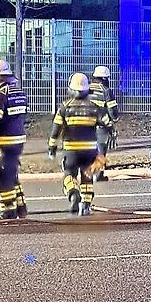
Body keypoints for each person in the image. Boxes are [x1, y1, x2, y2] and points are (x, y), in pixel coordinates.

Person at [48, 73, 113, 216]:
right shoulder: (94, 107)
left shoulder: (65, 107)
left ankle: (73, 193)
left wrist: (52, 147)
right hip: (89, 149)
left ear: (70, 88)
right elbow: (107, 122)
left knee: (69, 174)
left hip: (71, 150)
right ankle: (86, 205)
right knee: (87, 176)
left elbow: (56, 129)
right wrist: (111, 133)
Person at [0, 59, 29, 220]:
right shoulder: (20, 93)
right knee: (12, 173)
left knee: (1, 175)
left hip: (3, 142)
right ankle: (21, 207)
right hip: (18, 140)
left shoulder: (0, 95)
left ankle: (7, 211)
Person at [89, 65, 119, 182]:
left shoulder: (87, 88)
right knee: (101, 147)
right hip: (101, 123)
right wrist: (114, 119)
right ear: (105, 78)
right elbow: (112, 110)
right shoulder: (105, 90)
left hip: (85, 123)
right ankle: (98, 174)